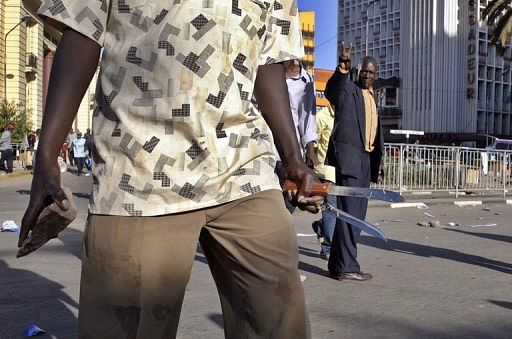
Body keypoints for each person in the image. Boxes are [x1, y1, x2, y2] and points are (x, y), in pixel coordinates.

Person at [21, 1, 322, 337]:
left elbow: (268, 62)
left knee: (280, 324)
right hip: (138, 173)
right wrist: (46, 154)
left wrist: (292, 157)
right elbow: (82, 31)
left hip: (244, 168)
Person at [324, 42, 385, 282]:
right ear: (358, 72)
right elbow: (332, 92)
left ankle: (336, 265)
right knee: (352, 217)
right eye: (364, 71)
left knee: (352, 215)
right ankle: (348, 266)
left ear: (375, 75)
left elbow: (375, 131)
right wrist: (342, 67)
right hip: (349, 160)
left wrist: (378, 161)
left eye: (371, 72)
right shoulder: (348, 89)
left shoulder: (372, 97)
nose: (368, 75)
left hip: (365, 161)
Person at [274, 59, 319, 213]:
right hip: (262, 152)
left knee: (286, 206)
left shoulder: (305, 80)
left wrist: (310, 150)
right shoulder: (266, 71)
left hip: (288, 156)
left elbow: (306, 118)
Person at [311, 105, 337, 260]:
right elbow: (311, 142)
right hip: (326, 170)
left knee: (340, 211)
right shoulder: (322, 116)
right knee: (331, 210)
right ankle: (327, 248)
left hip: (343, 170)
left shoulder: (346, 114)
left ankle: (321, 226)